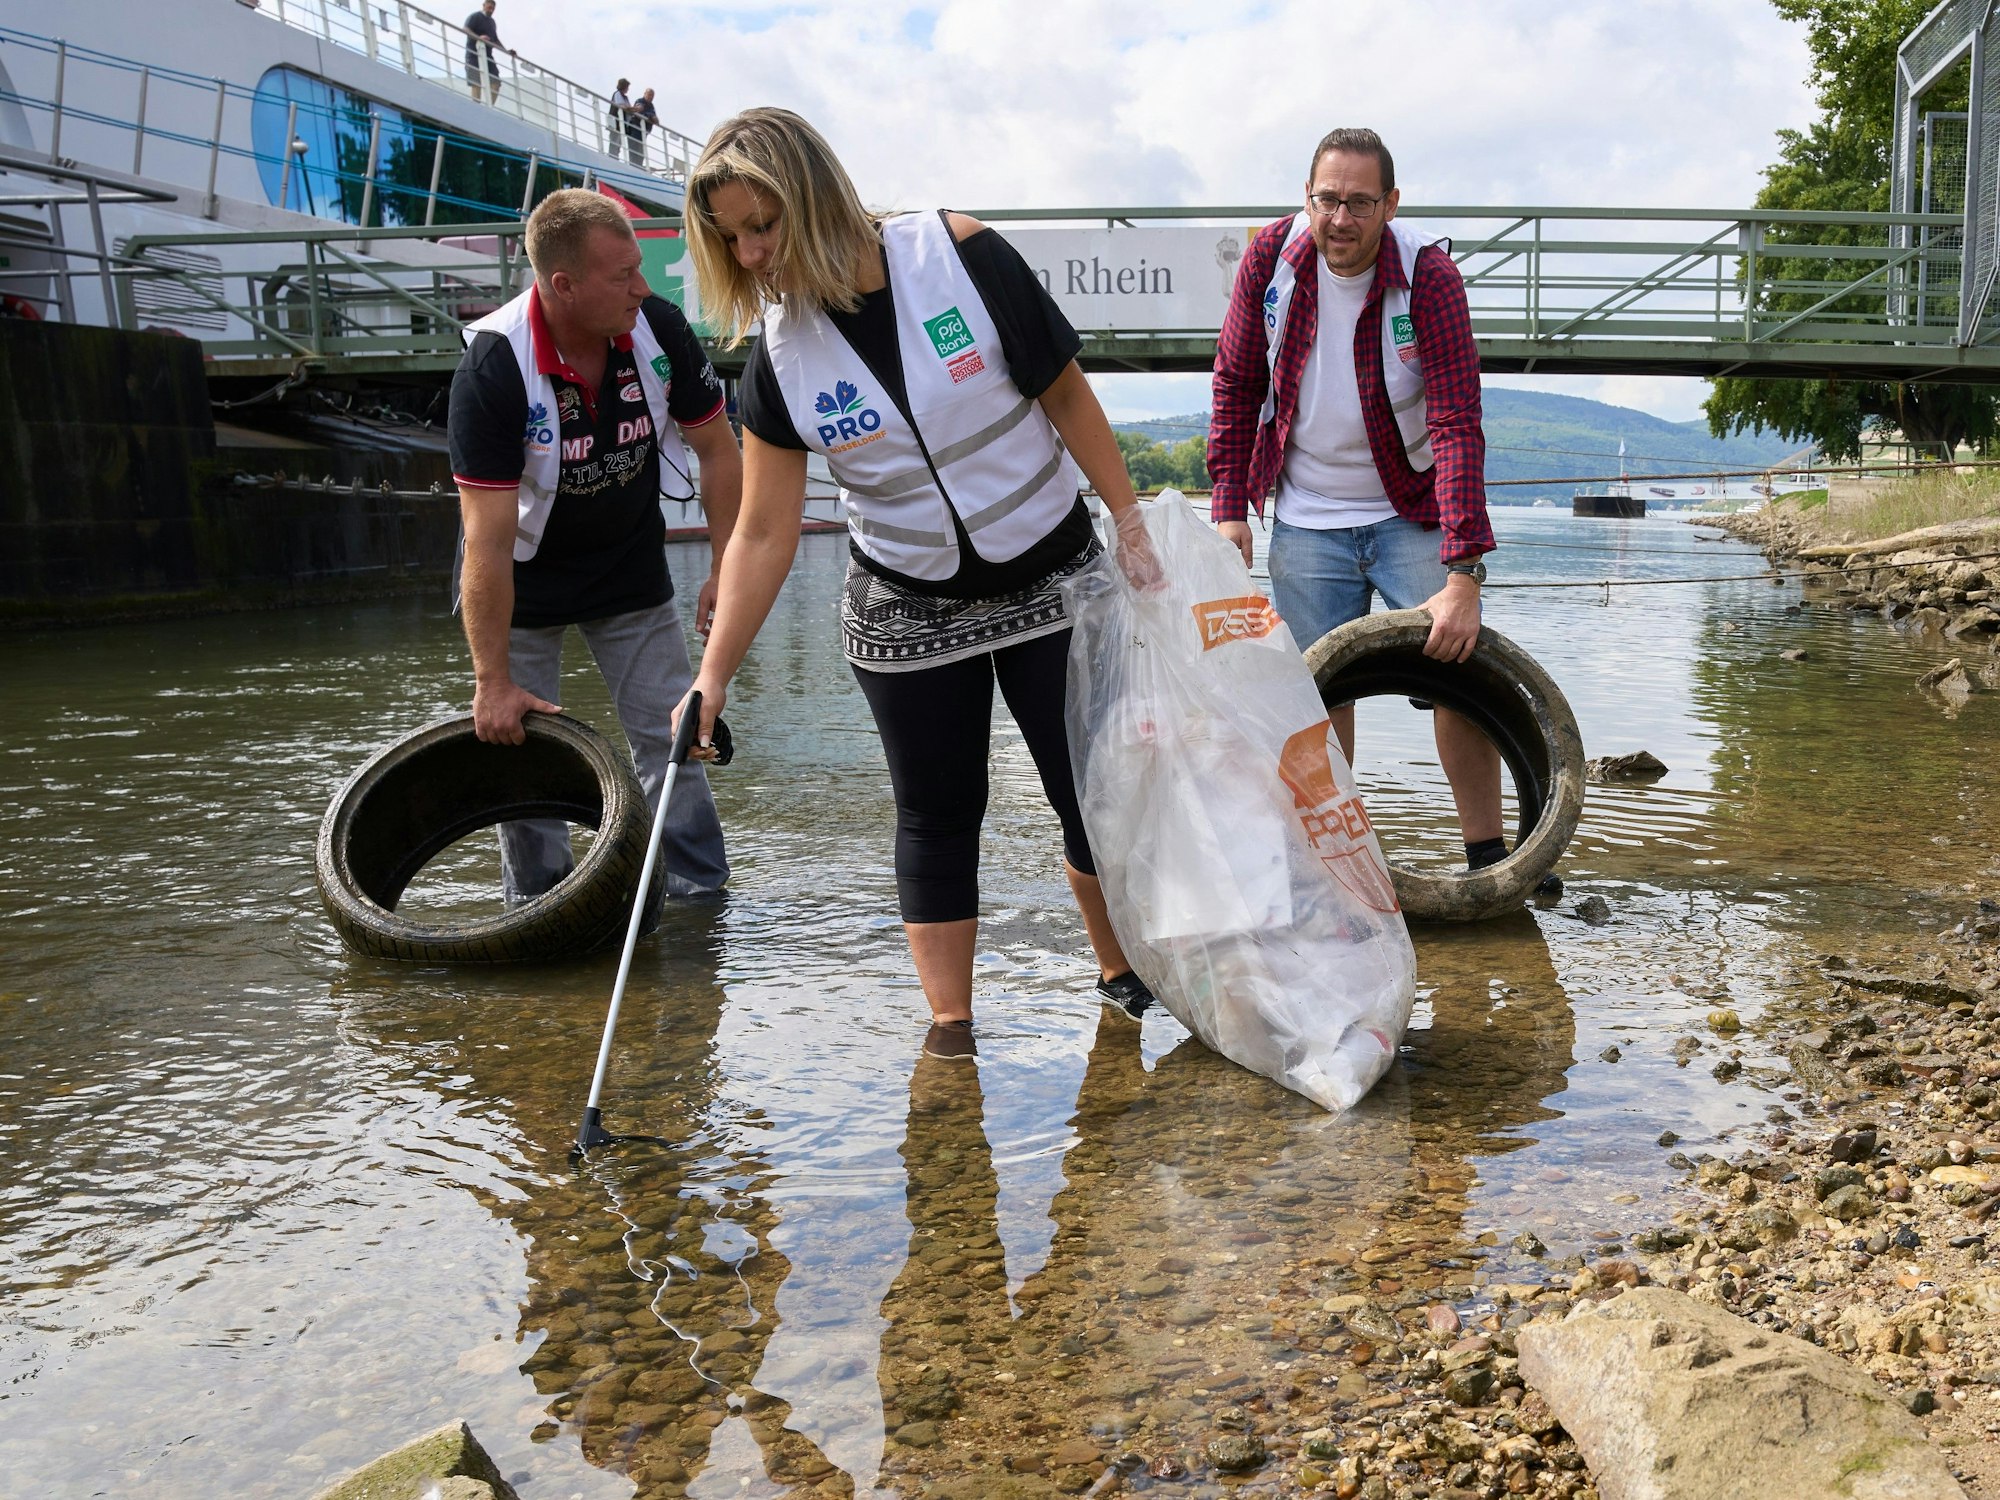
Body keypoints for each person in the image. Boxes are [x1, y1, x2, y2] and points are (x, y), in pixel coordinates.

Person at [676, 107, 1166, 1052]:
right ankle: (951, 1031)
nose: (752, 253)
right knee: (939, 812)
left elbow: (1064, 391)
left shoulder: (963, 255)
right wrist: (716, 673)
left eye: (763, 225)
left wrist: (1131, 520)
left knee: (1087, 790)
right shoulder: (777, 355)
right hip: (907, 600)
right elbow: (768, 528)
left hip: (1046, 571)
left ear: (815, 197)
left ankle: (1120, 971)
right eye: (732, 239)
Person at [1209, 126, 1506, 872]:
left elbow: (1455, 417)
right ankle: (1334, 868)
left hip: (1412, 511)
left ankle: (1490, 857)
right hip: (1308, 517)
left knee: (1461, 679)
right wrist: (1228, 506)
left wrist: (1463, 570)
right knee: (1318, 694)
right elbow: (1238, 383)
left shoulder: (1428, 276)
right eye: (1327, 199)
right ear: (1306, 198)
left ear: (1391, 204)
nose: (1340, 218)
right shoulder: (1270, 261)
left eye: (1359, 203)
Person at [448, 188, 741, 909]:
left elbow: (719, 452)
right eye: (623, 276)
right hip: (523, 577)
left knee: (669, 736)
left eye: (641, 270)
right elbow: (483, 544)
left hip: (626, 565)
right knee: (522, 748)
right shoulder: (493, 369)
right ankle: (539, 907)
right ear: (563, 286)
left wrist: (724, 568)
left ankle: (698, 894)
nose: (643, 288)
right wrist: (492, 682)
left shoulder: (657, 327)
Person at [461, 0, 509, 104]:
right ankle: (476, 106)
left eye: (493, 7)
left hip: (488, 56)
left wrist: (506, 51)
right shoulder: (475, 16)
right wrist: (479, 38)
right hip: (473, 54)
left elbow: (495, 40)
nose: (491, 9)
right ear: (484, 5)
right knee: (476, 82)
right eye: (489, 6)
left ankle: (489, 107)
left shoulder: (492, 22)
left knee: (496, 83)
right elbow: (465, 29)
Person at [630, 87, 659, 169]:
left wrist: (652, 117)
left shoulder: (651, 106)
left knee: (640, 151)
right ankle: (633, 166)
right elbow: (639, 109)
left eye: (652, 96)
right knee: (634, 148)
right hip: (636, 128)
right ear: (645, 94)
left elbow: (656, 120)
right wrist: (649, 116)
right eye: (649, 95)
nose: (651, 97)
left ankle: (638, 166)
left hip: (644, 132)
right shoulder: (640, 101)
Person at [606, 79, 633, 161]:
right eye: (627, 87)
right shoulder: (617, 94)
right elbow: (622, 106)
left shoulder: (625, 97)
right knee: (614, 140)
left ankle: (614, 157)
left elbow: (628, 108)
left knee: (618, 142)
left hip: (621, 123)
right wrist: (631, 109)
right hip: (615, 121)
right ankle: (612, 158)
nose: (628, 89)